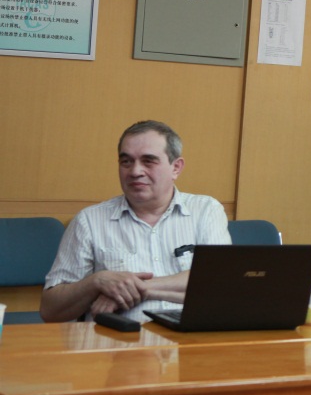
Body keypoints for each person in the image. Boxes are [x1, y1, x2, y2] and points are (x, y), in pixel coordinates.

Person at [41, 120, 232, 322]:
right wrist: (97, 282)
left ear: (176, 167)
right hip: (116, 338)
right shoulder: (89, 221)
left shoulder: (205, 210)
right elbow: (50, 311)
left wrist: (135, 289)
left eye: (148, 161)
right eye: (126, 162)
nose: (135, 171)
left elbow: (220, 283)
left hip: (190, 337)